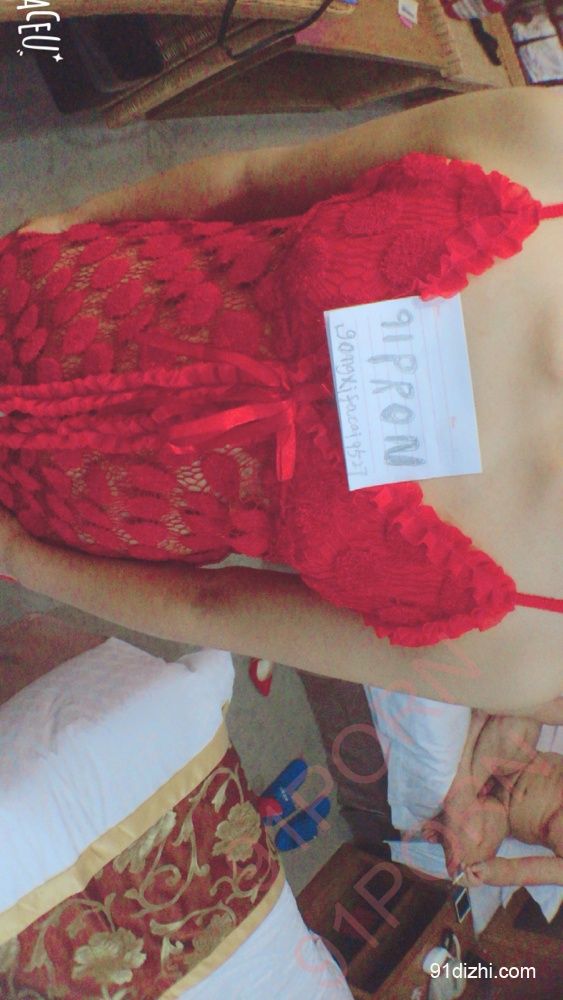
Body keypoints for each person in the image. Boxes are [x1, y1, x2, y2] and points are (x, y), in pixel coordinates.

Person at [0, 87, 561, 713]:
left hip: (49, 495)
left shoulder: (541, 642)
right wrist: (78, 218)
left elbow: (211, 607)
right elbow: (255, 181)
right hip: (43, 306)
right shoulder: (547, 146)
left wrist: (24, 558)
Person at [423, 709, 563, 887]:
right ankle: (464, 776)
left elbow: (518, 872)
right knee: (520, 723)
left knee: (467, 860)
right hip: (513, 763)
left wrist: (487, 873)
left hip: (499, 813)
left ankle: (460, 794)